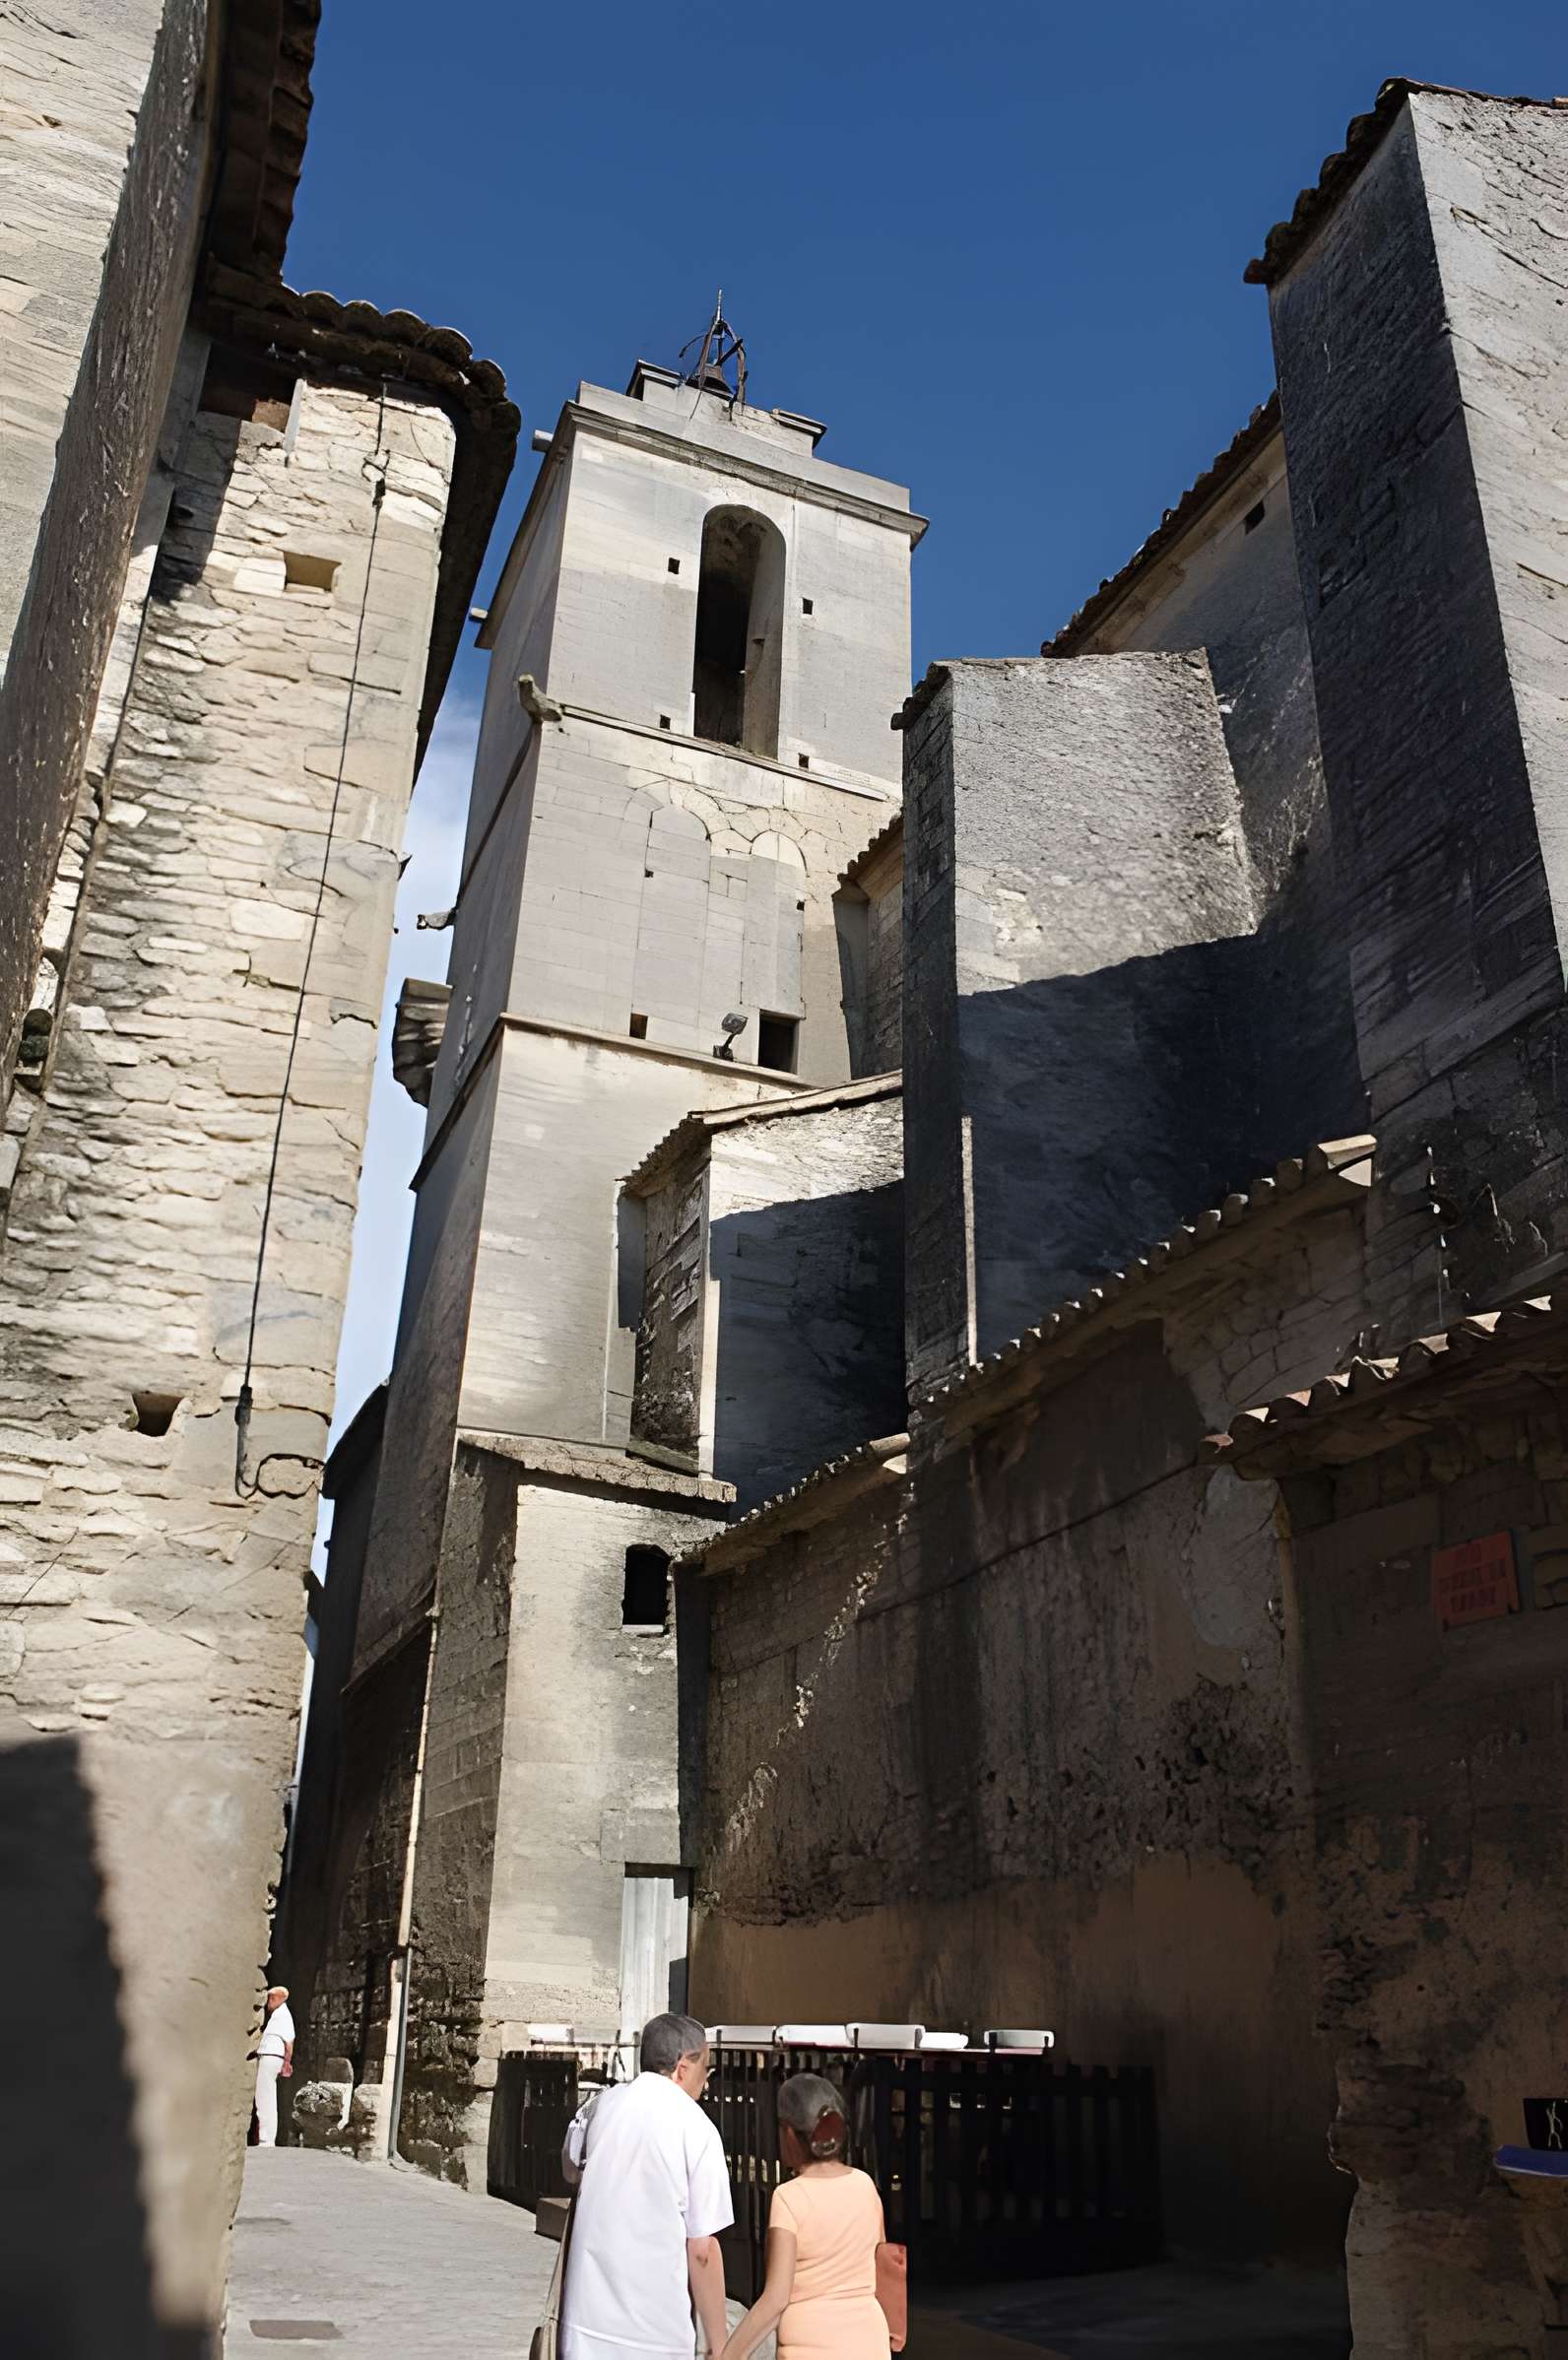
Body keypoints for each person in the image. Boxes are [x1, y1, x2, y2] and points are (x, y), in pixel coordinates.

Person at [557, 2012, 732, 2359]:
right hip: (655, 2334)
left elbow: (569, 2169)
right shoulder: (697, 2127)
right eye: (706, 2068)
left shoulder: (599, 2106)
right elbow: (702, 2249)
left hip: (584, 2324)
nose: (707, 2082)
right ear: (683, 2067)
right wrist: (719, 2343)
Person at [722, 2074, 890, 2360]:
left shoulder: (789, 2198)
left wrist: (729, 2355)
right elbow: (882, 2268)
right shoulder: (865, 2186)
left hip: (811, 2347)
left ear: (788, 2133)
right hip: (870, 2343)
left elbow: (776, 2299)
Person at [253, 1984, 294, 2148]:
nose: (269, 2001)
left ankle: (266, 2140)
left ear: (280, 1999)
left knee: (264, 2098)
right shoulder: (278, 2015)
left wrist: (287, 2062)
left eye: (272, 1998)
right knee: (267, 2098)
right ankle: (267, 2138)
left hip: (271, 2056)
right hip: (271, 2056)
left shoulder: (283, 2014)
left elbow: (289, 2041)